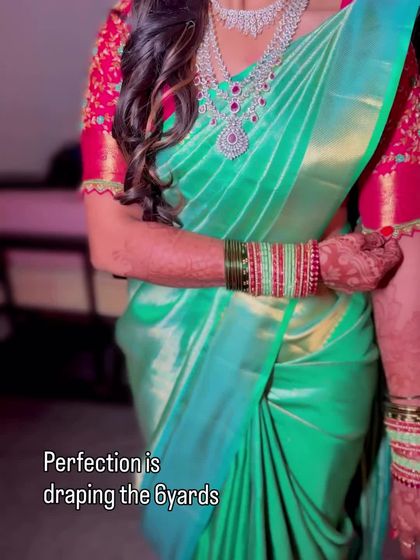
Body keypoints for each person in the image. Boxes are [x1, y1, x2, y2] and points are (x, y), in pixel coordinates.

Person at [79, 0, 420, 558]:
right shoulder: (137, 25)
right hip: (178, 344)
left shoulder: (373, 34)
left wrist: (410, 442)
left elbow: (400, 246)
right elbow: (112, 240)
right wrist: (306, 267)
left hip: (316, 356)